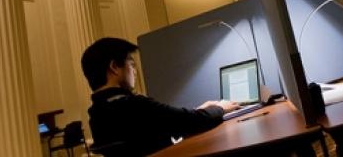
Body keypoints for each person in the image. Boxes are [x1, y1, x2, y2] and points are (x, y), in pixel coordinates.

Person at [81, 37, 239, 155]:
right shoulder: (134, 105)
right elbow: (190, 123)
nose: (135, 71)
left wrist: (197, 111)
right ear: (115, 67)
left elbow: (167, 123)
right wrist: (220, 108)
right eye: (131, 64)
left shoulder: (96, 115)